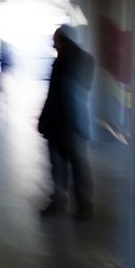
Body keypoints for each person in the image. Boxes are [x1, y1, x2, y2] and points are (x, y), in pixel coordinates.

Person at [38, 25, 95, 220]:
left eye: (56, 40)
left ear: (64, 40)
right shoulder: (73, 60)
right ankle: (66, 202)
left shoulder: (72, 62)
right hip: (63, 122)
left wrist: (46, 118)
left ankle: (78, 205)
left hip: (68, 123)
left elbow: (63, 93)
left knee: (73, 166)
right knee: (64, 165)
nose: (53, 44)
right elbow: (54, 93)